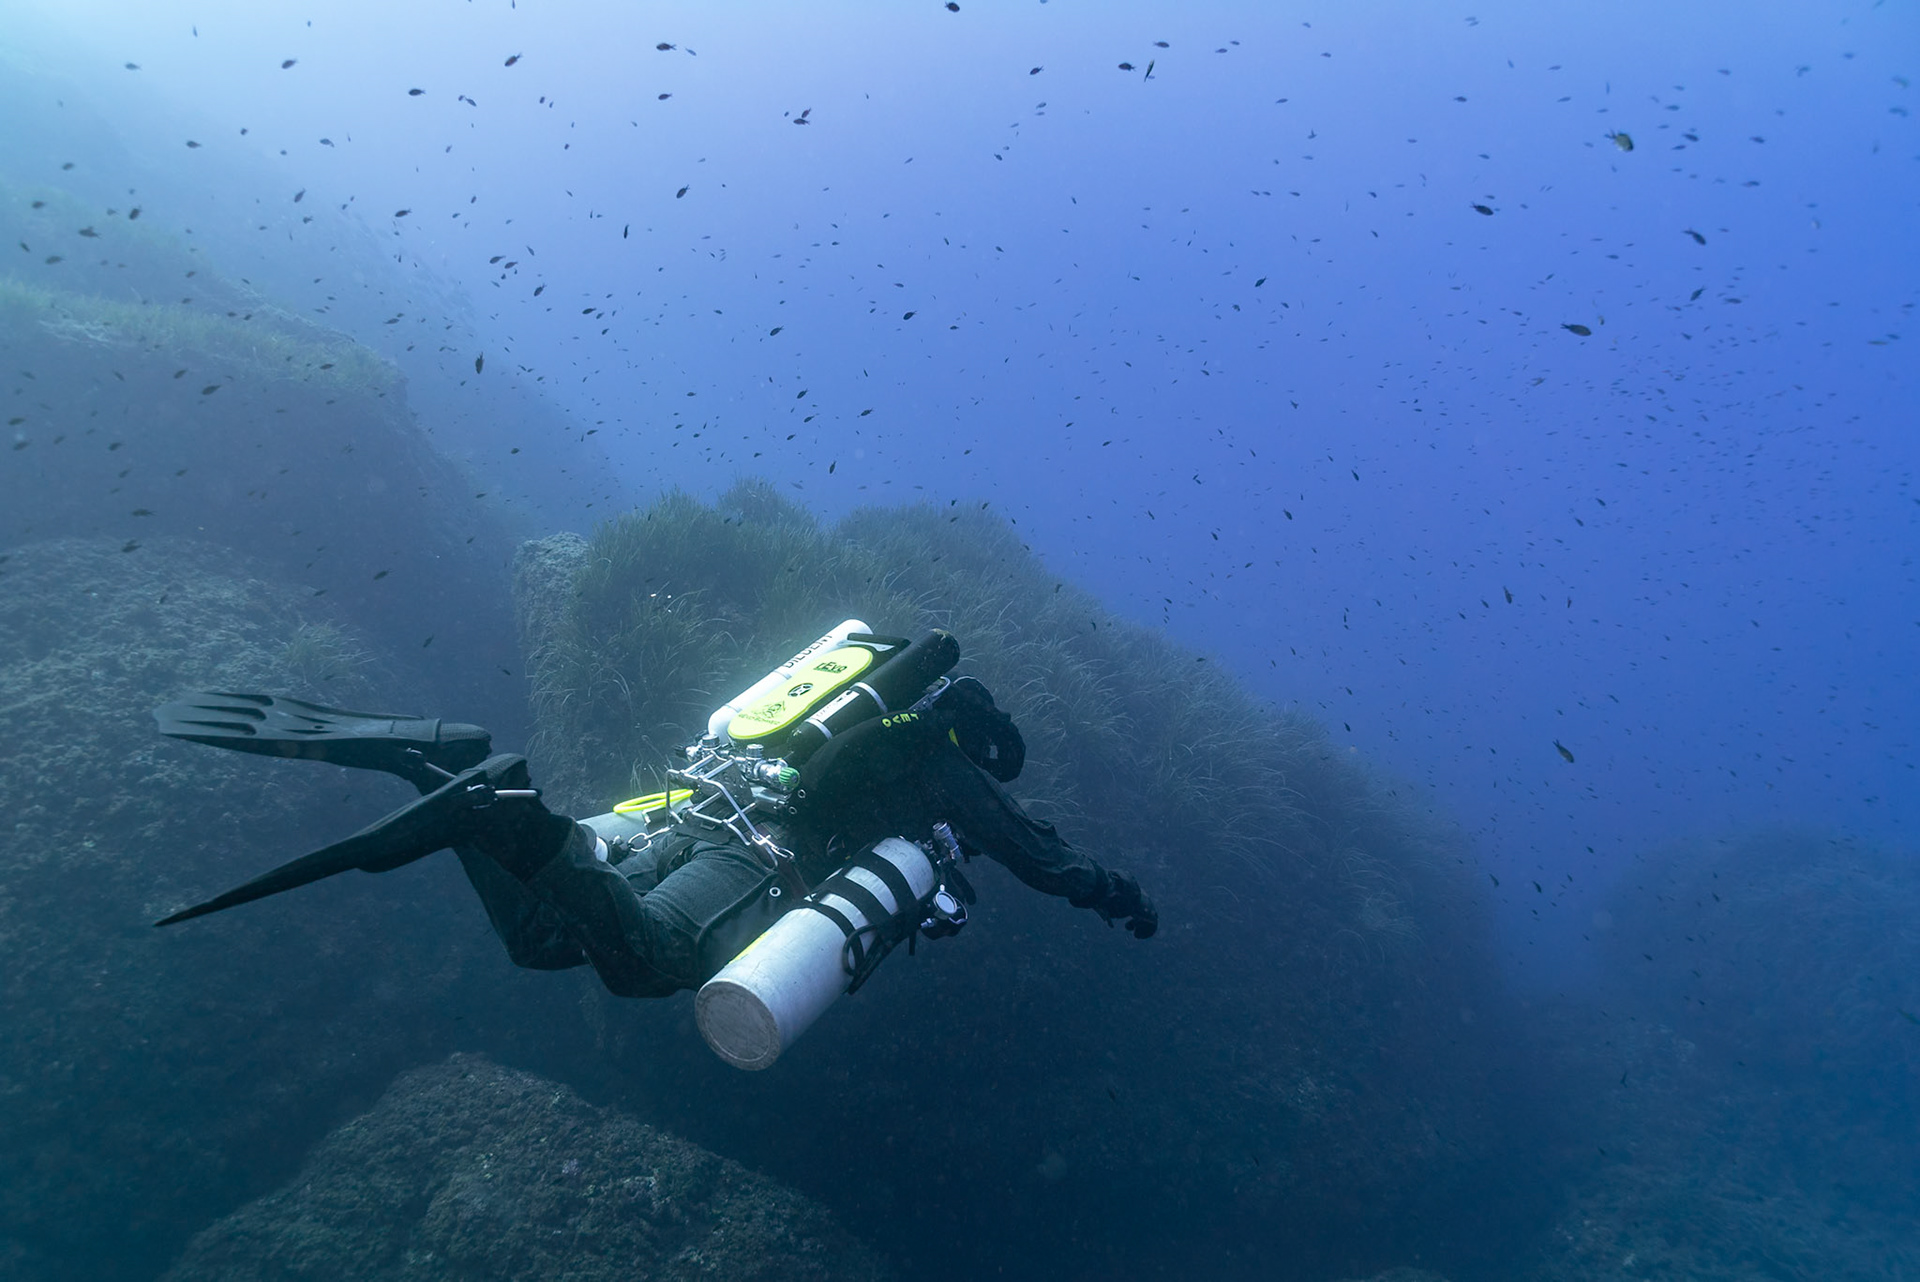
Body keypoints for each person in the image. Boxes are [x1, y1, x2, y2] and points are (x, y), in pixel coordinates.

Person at [152, 635, 1157, 1008]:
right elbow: (1044, 861)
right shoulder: (937, 765)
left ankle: (456, 772)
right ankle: (485, 804)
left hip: (685, 803)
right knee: (650, 964)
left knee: (549, 935)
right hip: (758, 857)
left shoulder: (847, 705)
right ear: (971, 734)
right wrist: (1120, 898)